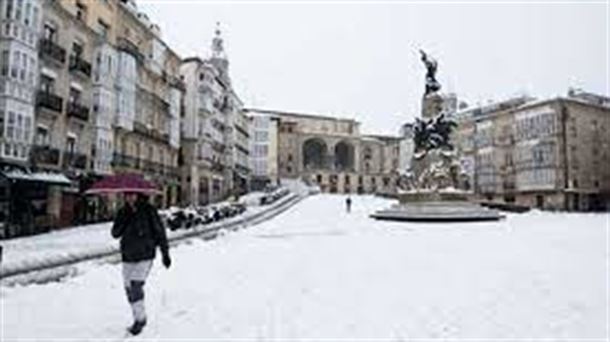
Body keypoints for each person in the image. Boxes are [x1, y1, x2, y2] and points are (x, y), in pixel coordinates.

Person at [112, 193, 171, 336]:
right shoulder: (122, 212)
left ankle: (140, 319)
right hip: (128, 256)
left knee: (135, 285)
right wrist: (124, 219)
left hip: (145, 254)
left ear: (138, 195)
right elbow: (115, 233)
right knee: (129, 290)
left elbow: (159, 232)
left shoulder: (149, 210)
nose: (129, 198)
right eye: (126, 195)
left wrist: (165, 253)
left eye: (132, 195)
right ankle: (138, 315)